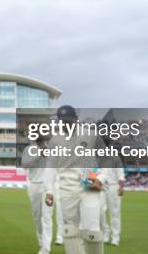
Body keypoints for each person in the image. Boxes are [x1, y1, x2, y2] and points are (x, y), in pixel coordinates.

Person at [45, 105, 107, 254]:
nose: (65, 125)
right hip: (67, 188)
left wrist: (101, 179)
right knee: (70, 231)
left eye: (68, 121)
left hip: (89, 185)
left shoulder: (91, 135)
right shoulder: (55, 140)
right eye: (62, 122)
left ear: (76, 120)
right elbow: (50, 167)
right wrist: (49, 191)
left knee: (92, 231)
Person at [22, 135, 55, 254]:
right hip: (34, 184)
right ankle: (41, 240)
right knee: (37, 216)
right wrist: (39, 155)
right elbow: (25, 164)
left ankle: (46, 248)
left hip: (48, 186)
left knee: (46, 217)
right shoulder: (29, 149)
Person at [100, 167, 124, 246]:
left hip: (113, 186)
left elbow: (121, 174)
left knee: (115, 212)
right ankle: (106, 232)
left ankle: (115, 236)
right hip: (101, 186)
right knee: (100, 211)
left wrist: (121, 187)